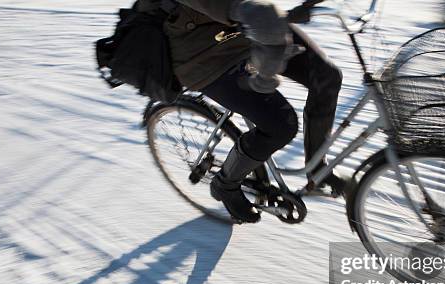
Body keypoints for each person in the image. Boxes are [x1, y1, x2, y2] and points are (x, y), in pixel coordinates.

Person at [138, 0, 344, 223]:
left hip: (249, 27)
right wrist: (245, 10)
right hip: (204, 55)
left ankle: (317, 169)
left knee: (326, 78)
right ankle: (226, 184)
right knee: (280, 125)